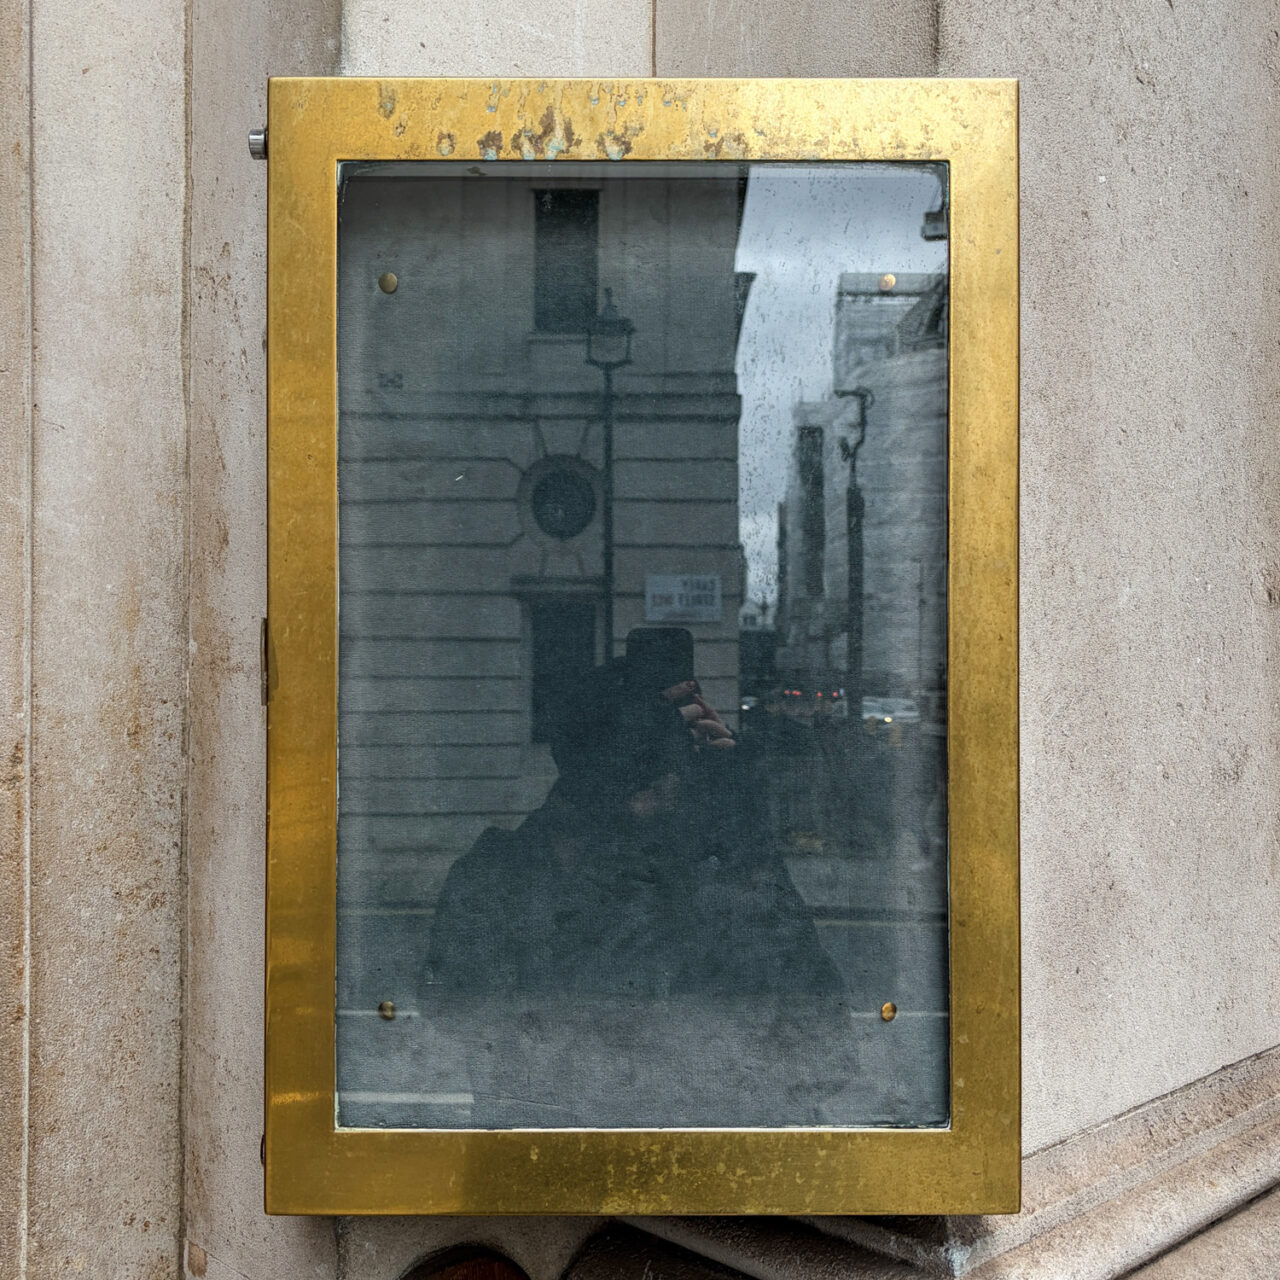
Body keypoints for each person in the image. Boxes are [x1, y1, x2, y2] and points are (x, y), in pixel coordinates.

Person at [422, 636, 851, 1128]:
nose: (670, 789)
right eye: (650, 766)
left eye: (670, 762)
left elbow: (821, 1043)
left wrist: (738, 825)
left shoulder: (700, 870)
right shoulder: (508, 878)